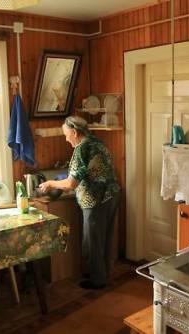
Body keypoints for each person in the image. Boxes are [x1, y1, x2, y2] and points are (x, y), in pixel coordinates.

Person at [39, 116, 120, 289]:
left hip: (95, 199)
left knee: (92, 241)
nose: (66, 139)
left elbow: (70, 184)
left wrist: (50, 183)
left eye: (67, 135)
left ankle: (97, 281)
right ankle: (105, 274)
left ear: (75, 132)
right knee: (105, 238)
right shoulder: (97, 142)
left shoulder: (81, 149)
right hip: (112, 194)